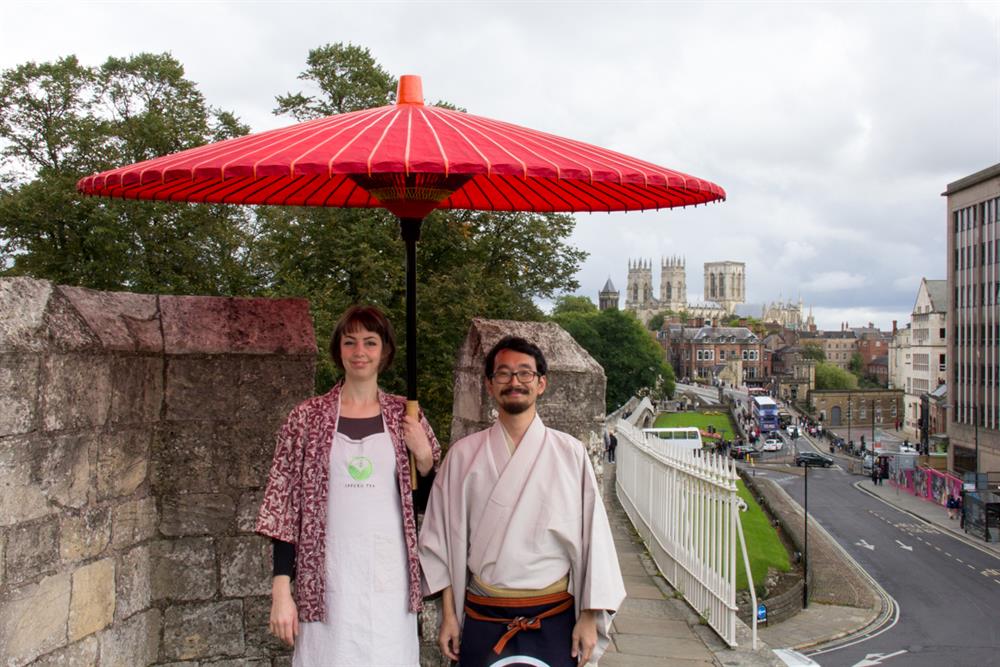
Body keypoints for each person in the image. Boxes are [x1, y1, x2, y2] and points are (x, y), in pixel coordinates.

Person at [419, 336, 625, 666]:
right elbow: (440, 540)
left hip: (553, 615)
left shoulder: (570, 453)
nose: (514, 382)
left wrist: (589, 616)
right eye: (503, 373)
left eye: (525, 373)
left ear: (541, 383)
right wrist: (449, 615)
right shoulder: (463, 457)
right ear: (489, 384)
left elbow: (594, 541)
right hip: (483, 615)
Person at [255, 305, 441, 666]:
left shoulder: (406, 416)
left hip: (390, 581)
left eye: (370, 343)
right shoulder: (306, 418)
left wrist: (425, 459)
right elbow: (284, 507)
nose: (360, 352)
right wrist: (281, 590)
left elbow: (428, 504)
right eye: (350, 342)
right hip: (326, 579)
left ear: (384, 352)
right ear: (338, 350)